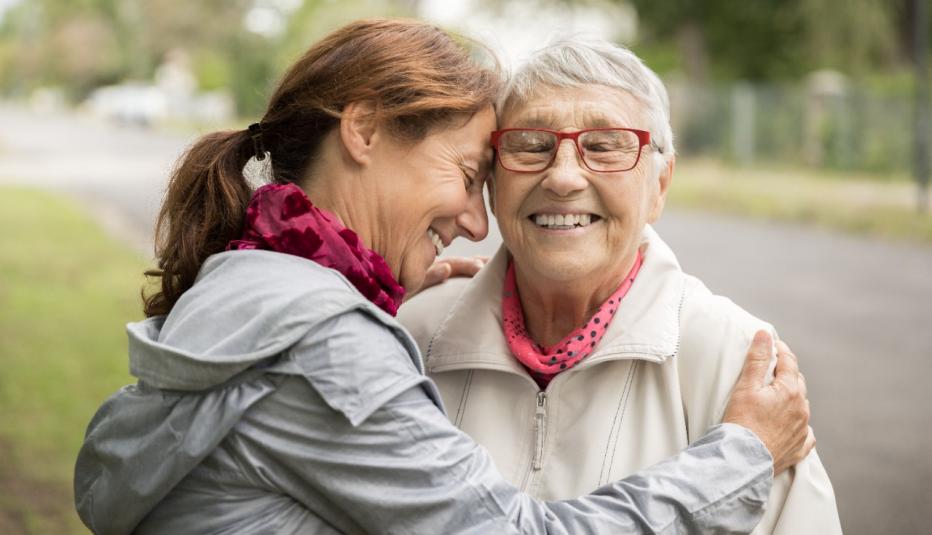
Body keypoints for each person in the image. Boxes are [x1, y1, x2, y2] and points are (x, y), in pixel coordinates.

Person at [74, 19, 813, 535]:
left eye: (606, 147)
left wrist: (366, 313)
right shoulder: (333, 342)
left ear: (661, 180)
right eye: (472, 171)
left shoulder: (253, 283)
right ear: (362, 131)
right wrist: (741, 456)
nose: (474, 218)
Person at [398, 36, 841, 534]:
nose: (563, 178)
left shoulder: (736, 360)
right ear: (493, 185)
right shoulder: (410, 336)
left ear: (660, 186)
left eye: (605, 147)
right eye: (531, 145)